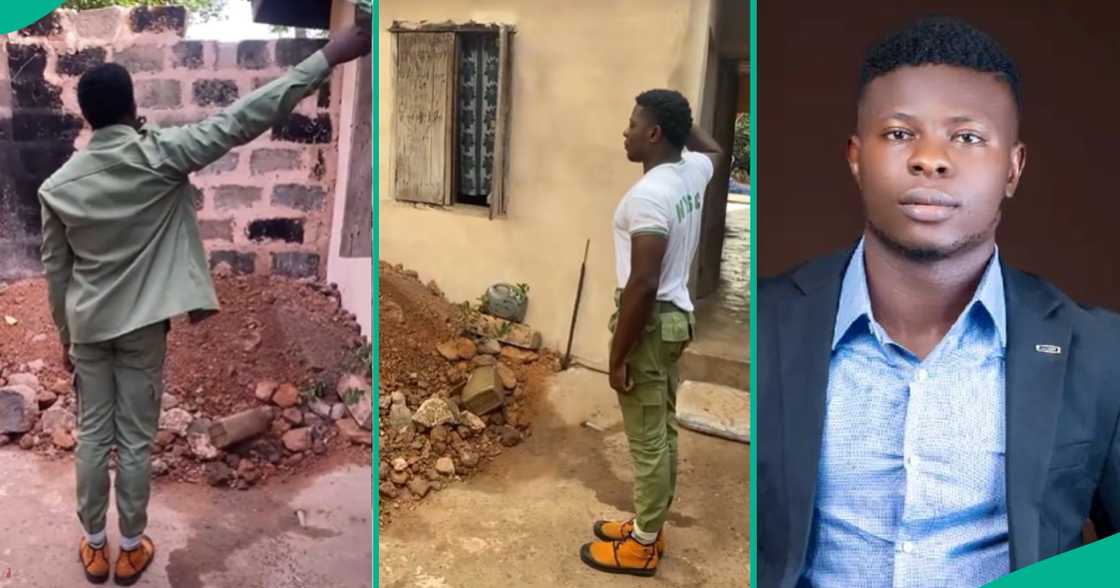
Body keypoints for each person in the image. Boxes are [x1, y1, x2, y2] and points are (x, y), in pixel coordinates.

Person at [756, 17, 1120, 587]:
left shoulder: (1099, 353)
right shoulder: (766, 323)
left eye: (967, 137)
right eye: (900, 133)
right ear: (856, 157)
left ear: (1013, 168)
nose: (931, 159)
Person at [38, 25, 371, 586]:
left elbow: (57, 272)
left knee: (93, 437)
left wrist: (64, 337)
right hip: (143, 327)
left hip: (88, 327)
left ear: (87, 118)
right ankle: (131, 547)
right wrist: (329, 55)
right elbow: (243, 117)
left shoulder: (57, 186)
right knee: (135, 441)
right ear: (132, 107)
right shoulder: (163, 155)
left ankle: (94, 547)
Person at [579, 89, 722, 577]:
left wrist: (618, 356)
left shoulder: (648, 197)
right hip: (674, 320)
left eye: (634, 123)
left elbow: (643, 282)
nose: (626, 132)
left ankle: (642, 545)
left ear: (654, 133)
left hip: (650, 321)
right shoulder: (691, 171)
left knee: (646, 439)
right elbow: (714, 149)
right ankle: (649, 523)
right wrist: (682, 119)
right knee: (662, 429)